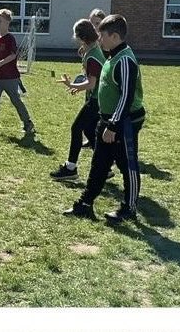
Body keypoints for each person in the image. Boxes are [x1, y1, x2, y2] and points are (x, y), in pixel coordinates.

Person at [63, 14, 146, 223]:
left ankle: (129, 208)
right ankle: (85, 204)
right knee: (99, 163)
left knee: (127, 165)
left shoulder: (125, 60)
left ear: (115, 36)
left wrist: (113, 125)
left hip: (124, 122)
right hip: (107, 120)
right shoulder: (111, 56)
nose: (99, 39)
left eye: (103, 35)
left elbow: (126, 97)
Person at [51, 19, 107, 181]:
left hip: (96, 101)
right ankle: (105, 167)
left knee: (76, 128)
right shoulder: (94, 49)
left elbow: (91, 83)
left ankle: (70, 168)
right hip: (98, 98)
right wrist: (77, 86)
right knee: (89, 131)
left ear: (81, 37)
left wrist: (73, 84)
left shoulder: (93, 57)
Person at [0, 8, 35, 136]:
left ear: (7, 22)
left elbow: (12, 56)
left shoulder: (10, 39)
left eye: (0, 21)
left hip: (10, 78)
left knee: (16, 101)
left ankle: (28, 123)